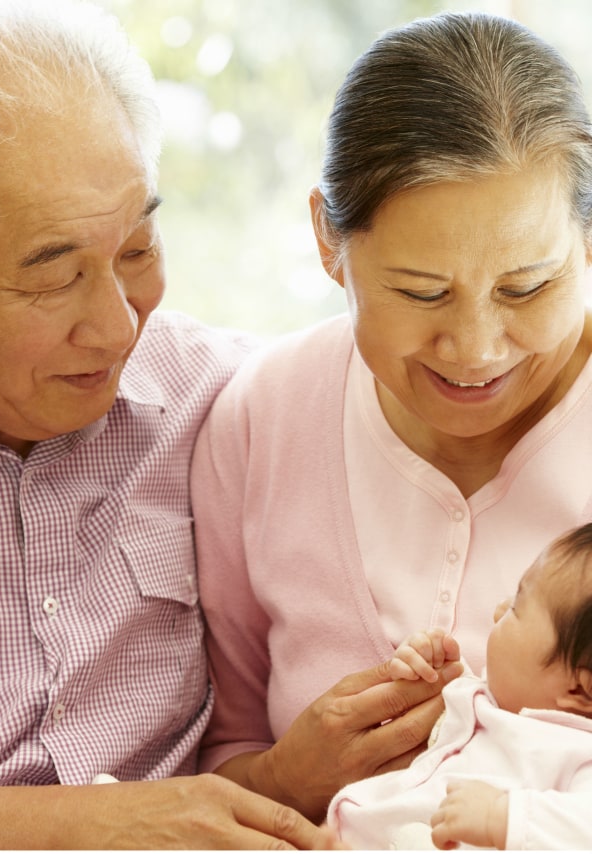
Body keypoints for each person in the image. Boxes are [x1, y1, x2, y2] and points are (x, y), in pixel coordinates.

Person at [0, 1, 343, 848]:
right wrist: (83, 826)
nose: (121, 325)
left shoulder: (231, 403)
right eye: (55, 277)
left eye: (137, 250)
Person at [190, 10, 592, 825]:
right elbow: (217, 753)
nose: (477, 349)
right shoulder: (260, 422)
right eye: (422, 291)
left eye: (528, 287)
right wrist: (289, 776)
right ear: (327, 239)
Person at [328, 523, 592, 850]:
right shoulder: (495, 703)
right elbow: (460, 714)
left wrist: (505, 818)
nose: (498, 610)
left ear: (580, 691)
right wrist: (429, 670)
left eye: (516, 608)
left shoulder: (577, 753)